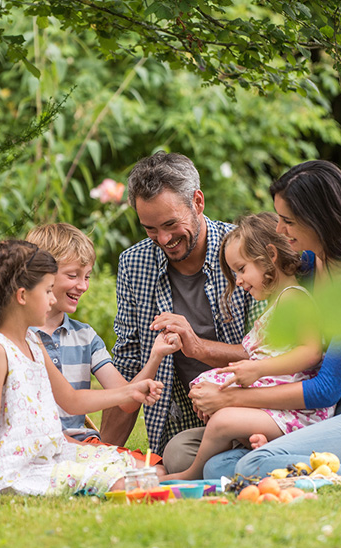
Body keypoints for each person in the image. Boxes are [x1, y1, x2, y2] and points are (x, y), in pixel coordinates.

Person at [189, 160, 341, 480]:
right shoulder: (308, 267)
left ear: (318, 220)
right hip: (330, 418)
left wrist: (230, 398)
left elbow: (326, 389)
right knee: (219, 467)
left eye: (288, 221)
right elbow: (260, 275)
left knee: (253, 465)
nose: (280, 230)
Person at [0, 240, 164, 503]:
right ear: (22, 296)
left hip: (51, 454)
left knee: (147, 470)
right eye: (47, 292)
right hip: (18, 473)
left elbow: (72, 400)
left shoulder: (32, 342)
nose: (52, 299)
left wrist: (131, 391)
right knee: (125, 483)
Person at [99, 151, 260, 464]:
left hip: (256, 411)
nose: (164, 238)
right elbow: (129, 365)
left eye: (171, 224)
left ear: (197, 202)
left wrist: (198, 348)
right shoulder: (135, 264)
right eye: (150, 228)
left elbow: (274, 355)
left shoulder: (246, 250)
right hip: (184, 428)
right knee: (178, 458)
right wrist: (100, 461)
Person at [161, 212, 331, 481]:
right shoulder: (278, 303)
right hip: (276, 408)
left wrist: (258, 369)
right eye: (234, 272)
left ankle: (192, 474)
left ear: (270, 257)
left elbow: (310, 352)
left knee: (223, 420)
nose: (238, 280)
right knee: (214, 405)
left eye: (241, 269)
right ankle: (257, 444)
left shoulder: (293, 300)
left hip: (299, 413)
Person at [25, 223, 181, 447]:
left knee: (156, 470)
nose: (83, 286)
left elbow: (126, 400)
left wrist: (156, 355)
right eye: (73, 275)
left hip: (82, 445)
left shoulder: (85, 337)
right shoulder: (20, 337)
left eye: (87, 277)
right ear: (42, 276)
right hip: (40, 445)